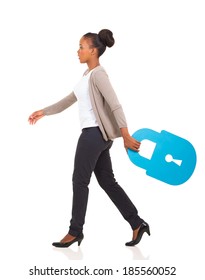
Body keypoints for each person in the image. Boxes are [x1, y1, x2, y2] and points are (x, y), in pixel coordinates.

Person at [28, 29, 150, 247]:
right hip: (97, 136)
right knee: (108, 182)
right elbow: (67, 100)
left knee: (80, 181)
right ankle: (137, 223)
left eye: (82, 47)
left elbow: (115, 104)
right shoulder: (87, 76)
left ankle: (75, 231)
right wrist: (44, 111)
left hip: (93, 134)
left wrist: (125, 135)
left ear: (93, 51)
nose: (78, 51)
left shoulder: (99, 74)